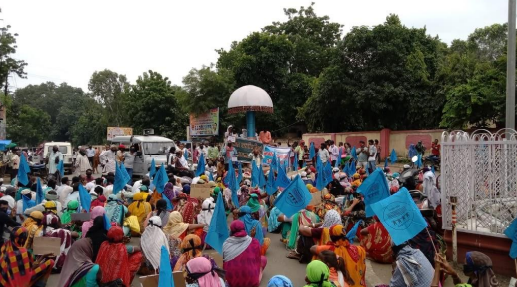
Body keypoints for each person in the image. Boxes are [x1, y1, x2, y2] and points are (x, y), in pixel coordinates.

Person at [223, 220, 267, 287]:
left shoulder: (226, 244)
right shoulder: (255, 242)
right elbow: (257, 261)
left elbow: (225, 263)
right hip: (251, 283)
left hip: (232, 283)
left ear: (231, 230)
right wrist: (252, 237)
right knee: (263, 259)